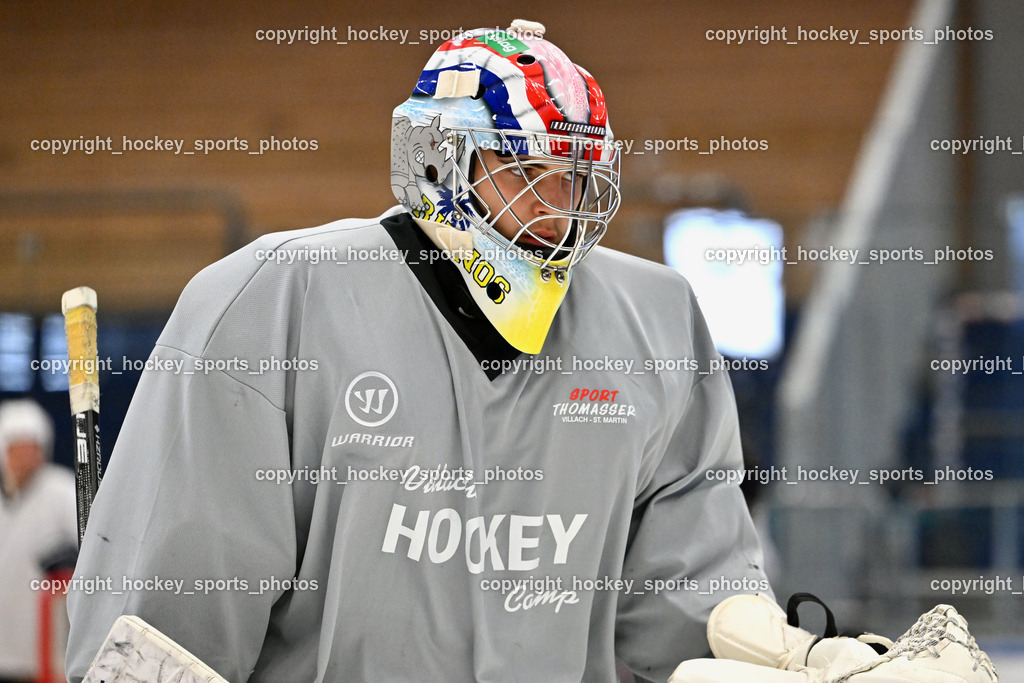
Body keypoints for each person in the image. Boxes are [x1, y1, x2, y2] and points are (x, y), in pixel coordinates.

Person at [66, 20, 772, 682]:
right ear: (438, 157)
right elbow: (175, 622)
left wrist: (788, 654)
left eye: (577, 172)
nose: (562, 204)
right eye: (528, 167)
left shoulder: (657, 324)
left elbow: (686, 607)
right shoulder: (275, 302)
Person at [0, 399, 77, 683]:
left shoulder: (62, 491)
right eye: (16, 448)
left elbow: (95, 547)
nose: (24, 457)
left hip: (45, 650)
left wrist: (74, 557)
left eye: (31, 447)